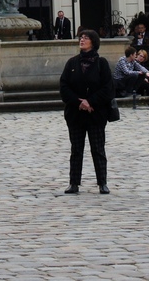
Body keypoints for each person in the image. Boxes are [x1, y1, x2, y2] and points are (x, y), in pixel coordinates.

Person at [58, 29, 115, 195]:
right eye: (81, 37)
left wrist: (91, 101)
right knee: (76, 149)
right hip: (76, 114)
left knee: (97, 148)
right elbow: (64, 86)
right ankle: (74, 183)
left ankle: (102, 182)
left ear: (93, 42)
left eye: (86, 38)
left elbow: (108, 88)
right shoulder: (72, 63)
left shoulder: (101, 63)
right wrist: (79, 102)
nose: (82, 40)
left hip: (96, 113)